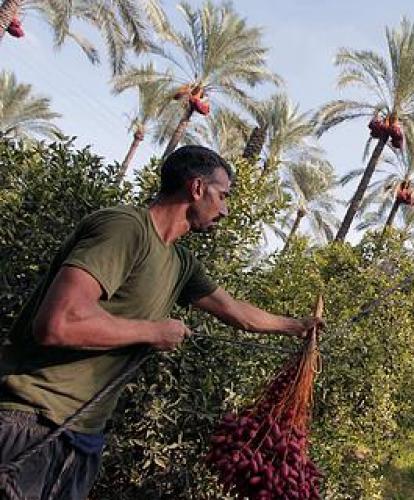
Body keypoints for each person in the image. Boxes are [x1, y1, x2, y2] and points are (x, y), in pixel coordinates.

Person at [0, 145, 320, 499]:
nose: (225, 210)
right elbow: (58, 322)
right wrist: (153, 330)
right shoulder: (125, 229)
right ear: (197, 188)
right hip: (29, 421)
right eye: (223, 196)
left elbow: (237, 312)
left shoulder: (181, 264)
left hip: (81, 438)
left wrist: (298, 326)